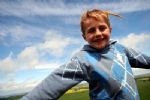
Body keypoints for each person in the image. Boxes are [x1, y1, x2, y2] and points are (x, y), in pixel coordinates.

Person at [21, 9, 150, 100]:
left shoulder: (121, 49)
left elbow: (144, 59)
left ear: (109, 30)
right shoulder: (82, 60)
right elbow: (53, 83)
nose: (98, 33)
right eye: (91, 30)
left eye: (102, 28)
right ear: (84, 37)